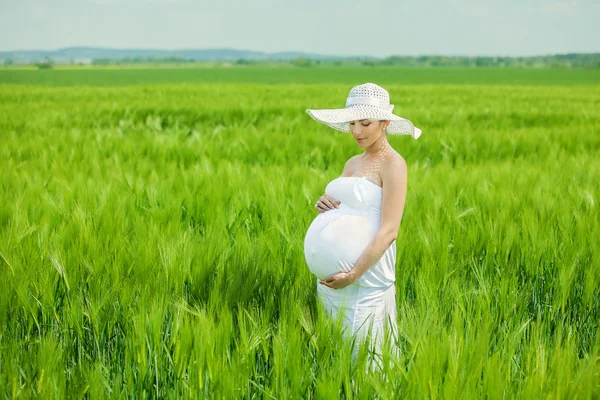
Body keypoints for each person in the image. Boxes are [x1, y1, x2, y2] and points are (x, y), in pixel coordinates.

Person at [303, 82, 421, 365]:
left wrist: (354, 273)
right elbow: (344, 207)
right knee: (335, 360)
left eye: (365, 123)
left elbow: (390, 229)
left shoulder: (393, 164)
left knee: (365, 360)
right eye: (352, 122)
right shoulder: (353, 162)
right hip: (331, 283)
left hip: (364, 278)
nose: (356, 131)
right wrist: (324, 205)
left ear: (385, 122)